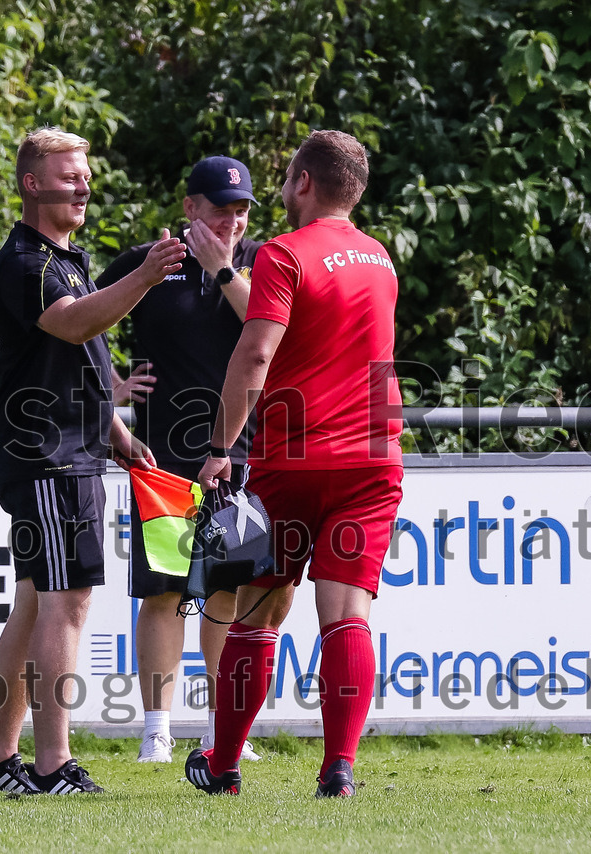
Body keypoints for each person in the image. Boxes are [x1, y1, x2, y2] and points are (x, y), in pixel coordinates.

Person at [0, 127, 186, 795]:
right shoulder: (27, 264)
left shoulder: (64, 258)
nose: (82, 184)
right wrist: (146, 276)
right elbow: (75, 325)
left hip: (67, 451)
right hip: (47, 458)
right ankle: (52, 764)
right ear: (33, 184)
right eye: (68, 175)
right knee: (69, 602)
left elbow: (79, 361)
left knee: (33, 605)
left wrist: (117, 434)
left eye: (85, 174)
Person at [185, 130, 404, 797]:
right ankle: (339, 766)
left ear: (303, 182)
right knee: (346, 615)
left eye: (285, 180)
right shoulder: (380, 258)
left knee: (258, 613)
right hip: (372, 457)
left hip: (297, 458)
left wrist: (221, 447)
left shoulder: (283, 255)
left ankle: (223, 766)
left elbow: (256, 355)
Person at [96, 156, 264, 764]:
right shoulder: (150, 261)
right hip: (161, 459)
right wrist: (109, 381)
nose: (233, 220)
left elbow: (271, 329)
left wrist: (223, 270)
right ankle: (156, 730)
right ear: (190, 206)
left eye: (242, 210)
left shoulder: (258, 263)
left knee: (225, 594)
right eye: (221, 208)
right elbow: (78, 320)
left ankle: (222, 730)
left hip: (239, 456)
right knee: (164, 593)